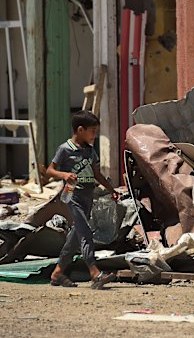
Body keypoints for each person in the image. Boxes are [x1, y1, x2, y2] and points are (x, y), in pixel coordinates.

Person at [46, 110, 119, 289]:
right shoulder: (65, 149)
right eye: (92, 130)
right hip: (72, 196)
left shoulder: (89, 150)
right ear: (80, 130)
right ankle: (95, 273)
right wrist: (64, 174)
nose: (95, 134)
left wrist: (111, 190)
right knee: (85, 231)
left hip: (88, 196)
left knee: (75, 238)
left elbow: (96, 174)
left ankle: (57, 273)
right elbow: (50, 170)